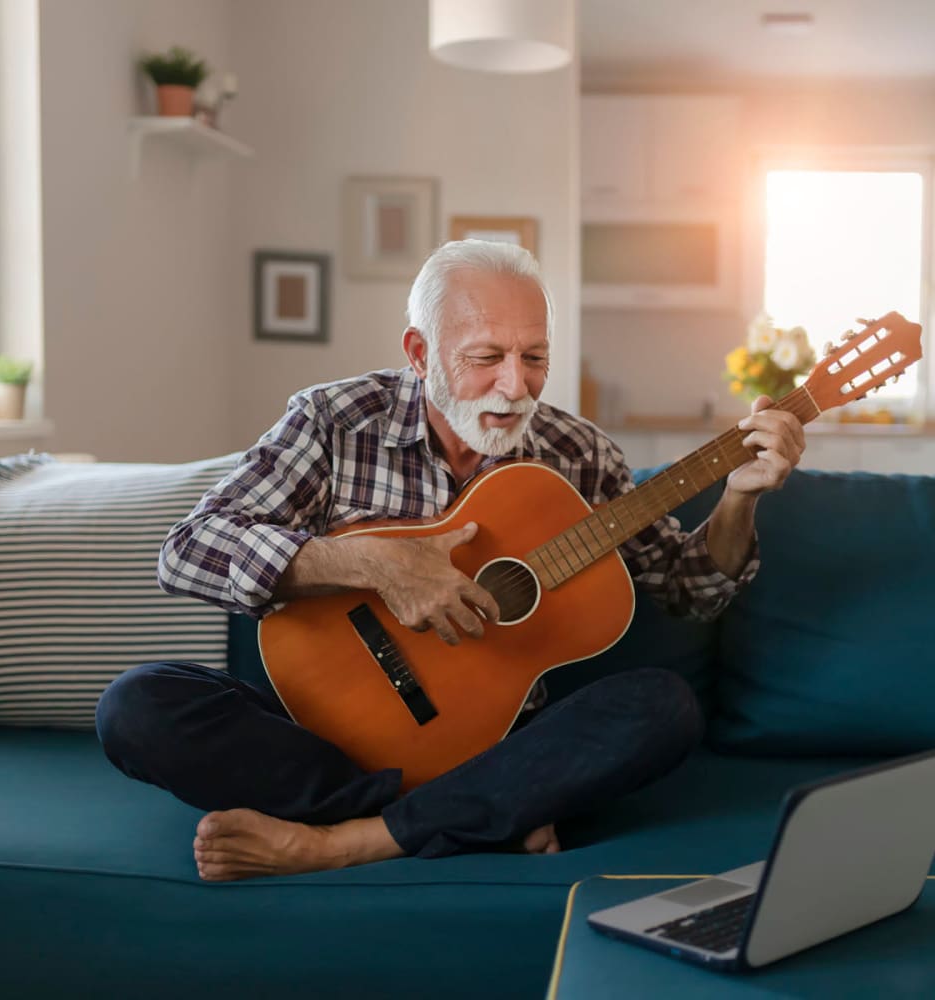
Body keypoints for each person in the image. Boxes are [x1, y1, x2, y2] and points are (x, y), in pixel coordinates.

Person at [95, 240, 805, 882]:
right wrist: (375, 565)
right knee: (137, 706)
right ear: (419, 352)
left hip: (492, 745)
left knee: (664, 708)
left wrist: (739, 498)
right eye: (486, 357)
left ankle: (344, 841)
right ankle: (466, 819)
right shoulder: (335, 421)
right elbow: (190, 551)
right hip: (310, 741)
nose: (515, 386)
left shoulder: (579, 454)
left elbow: (692, 590)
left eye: (534, 357)